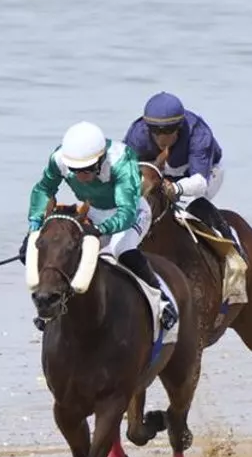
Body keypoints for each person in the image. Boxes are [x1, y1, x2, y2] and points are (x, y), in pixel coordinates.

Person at [26, 121, 173, 327]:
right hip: (94, 211)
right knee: (62, 251)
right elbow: (43, 189)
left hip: (132, 211)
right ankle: (55, 304)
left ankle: (162, 301)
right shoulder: (59, 158)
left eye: (87, 169)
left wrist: (99, 230)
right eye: (75, 170)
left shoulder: (122, 161)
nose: (80, 176)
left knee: (121, 249)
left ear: (101, 159)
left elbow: (126, 212)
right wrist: (34, 224)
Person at [122, 92, 226, 234]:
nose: (161, 138)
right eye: (154, 130)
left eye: (168, 130)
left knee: (194, 206)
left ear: (179, 126)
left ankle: (230, 242)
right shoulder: (138, 135)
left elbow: (200, 182)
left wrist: (175, 189)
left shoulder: (199, 134)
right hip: (159, 172)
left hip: (204, 174)